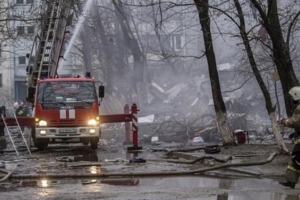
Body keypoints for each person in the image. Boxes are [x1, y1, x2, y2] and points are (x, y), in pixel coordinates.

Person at [279, 86, 300, 189]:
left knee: (296, 159)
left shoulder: (299, 108)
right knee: (295, 160)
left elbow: (294, 122)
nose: (292, 99)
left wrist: (284, 121)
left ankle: (291, 181)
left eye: (293, 97)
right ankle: (291, 181)